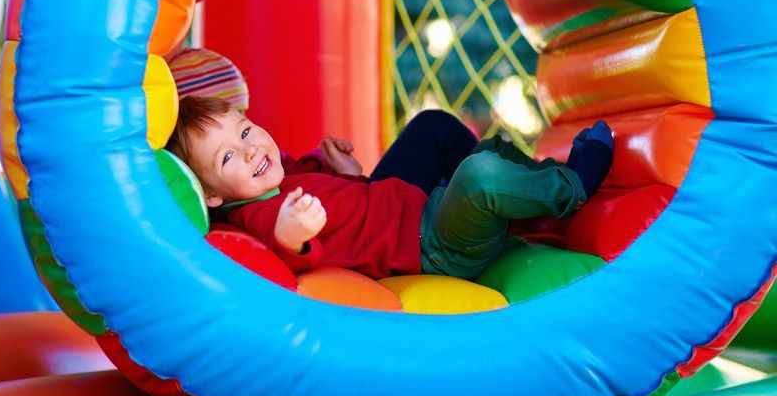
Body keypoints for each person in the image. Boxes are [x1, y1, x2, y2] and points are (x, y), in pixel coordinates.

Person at [166, 96, 613, 281]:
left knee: (436, 127)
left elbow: (338, 209)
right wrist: (289, 235)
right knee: (479, 176)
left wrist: (344, 172)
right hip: (436, 248)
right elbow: (278, 259)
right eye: (226, 158)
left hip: (410, 206)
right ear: (211, 197)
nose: (248, 151)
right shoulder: (255, 218)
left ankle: (530, 198)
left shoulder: (276, 176)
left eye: (245, 132)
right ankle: (571, 187)